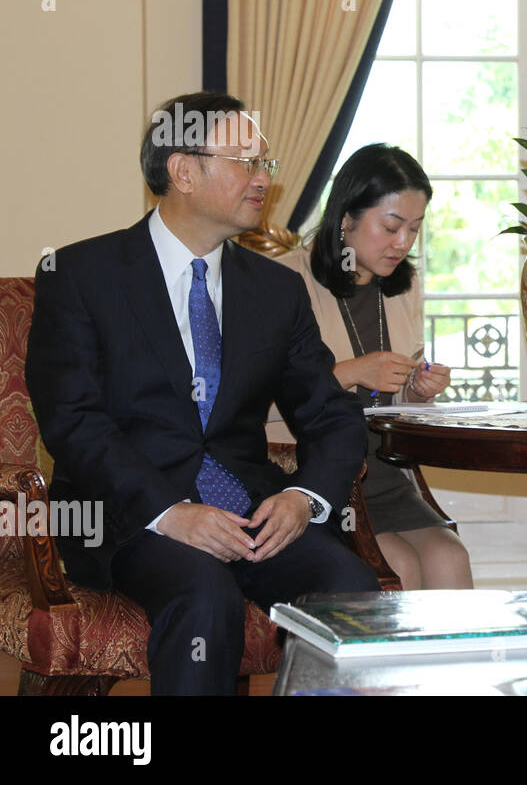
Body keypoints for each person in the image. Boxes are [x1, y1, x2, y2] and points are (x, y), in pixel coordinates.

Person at [26, 92, 380, 695]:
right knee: (203, 594)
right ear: (183, 171)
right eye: (246, 161)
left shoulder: (276, 291)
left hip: (251, 514)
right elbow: (73, 422)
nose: (263, 178)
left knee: (347, 584)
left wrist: (304, 497)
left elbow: (331, 416)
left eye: (265, 162)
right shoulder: (81, 275)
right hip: (124, 518)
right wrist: (170, 512)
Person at [266, 143, 473, 590]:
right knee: (398, 563)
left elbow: (392, 400)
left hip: (385, 470)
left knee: (449, 556)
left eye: (415, 230)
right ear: (346, 218)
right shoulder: (280, 282)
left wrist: (417, 389)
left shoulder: (404, 285)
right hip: (312, 472)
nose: (403, 243)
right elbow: (248, 400)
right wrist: (352, 371)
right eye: (391, 226)